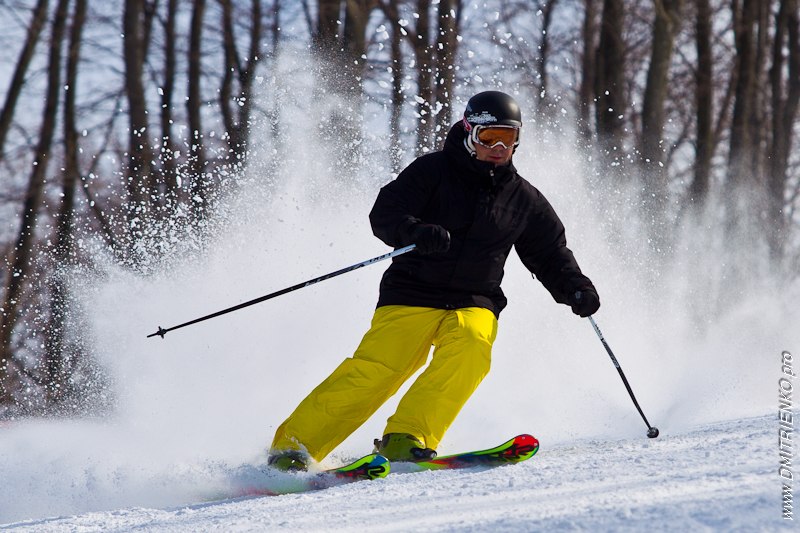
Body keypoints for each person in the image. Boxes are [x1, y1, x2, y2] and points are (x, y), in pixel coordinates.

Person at [267, 90, 600, 471]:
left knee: (472, 346)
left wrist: (576, 288)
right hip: (412, 291)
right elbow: (386, 212)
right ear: (469, 132)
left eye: (508, 138)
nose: (499, 148)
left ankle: (408, 436)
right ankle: (294, 447)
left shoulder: (523, 199)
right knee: (379, 368)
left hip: (475, 298)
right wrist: (415, 231)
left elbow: (550, 253)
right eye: (490, 137)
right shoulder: (432, 171)